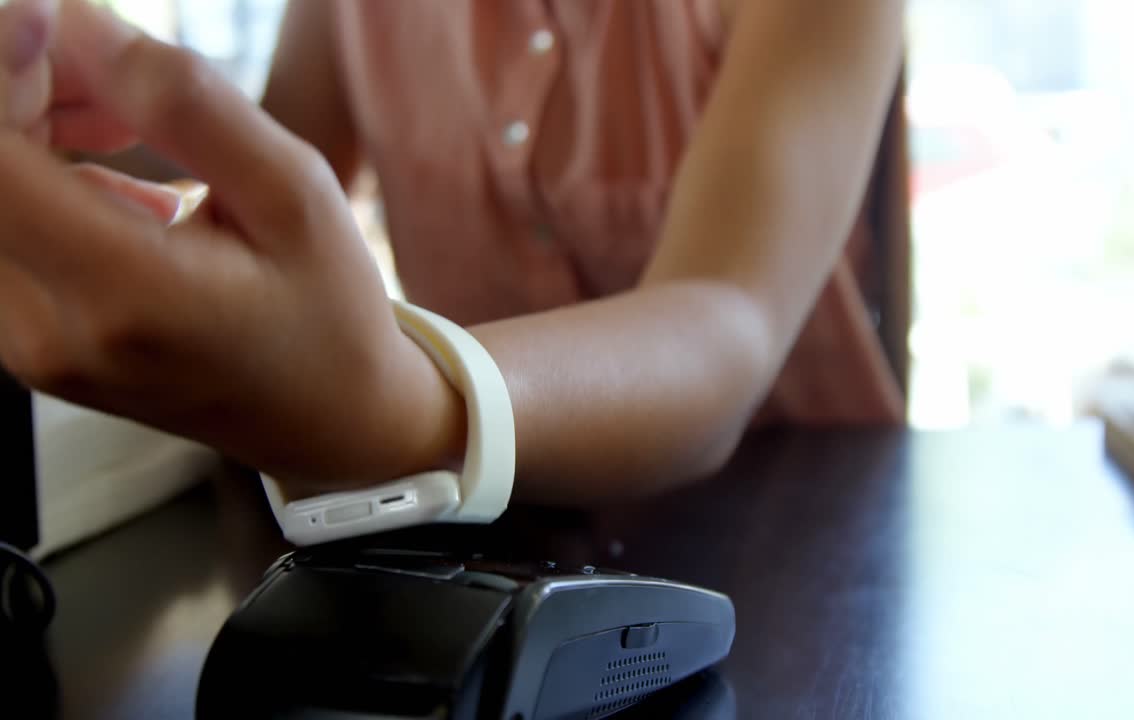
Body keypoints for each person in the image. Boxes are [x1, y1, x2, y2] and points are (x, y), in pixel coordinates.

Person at [0, 0, 905, 509]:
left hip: (797, 540)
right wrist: (52, 119)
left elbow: (728, 319)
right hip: (486, 542)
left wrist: (414, 400)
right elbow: (263, 169)